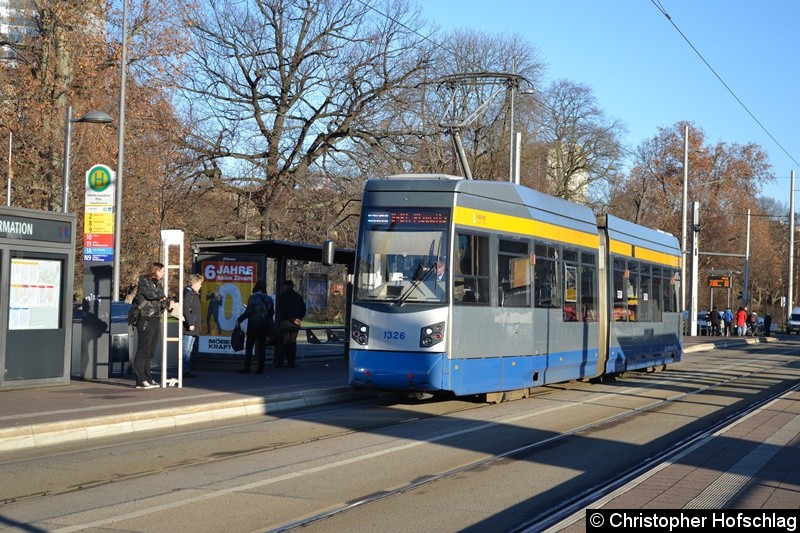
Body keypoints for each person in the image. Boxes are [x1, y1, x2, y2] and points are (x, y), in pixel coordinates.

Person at [133, 261, 175, 389]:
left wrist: (168, 302)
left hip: (155, 317)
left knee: (150, 351)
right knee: (143, 350)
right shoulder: (144, 281)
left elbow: (161, 300)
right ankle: (140, 380)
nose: (163, 274)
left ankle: (148, 378)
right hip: (145, 317)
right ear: (155, 270)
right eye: (161, 271)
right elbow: (152, 295)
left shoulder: (159, 284)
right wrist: (163, 297)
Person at [236, 280, 275, 374]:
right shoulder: (269, 299)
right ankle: (260, 369)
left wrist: (239, 319)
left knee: (249, 348)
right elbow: (271, 312)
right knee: (262, 348)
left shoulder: (253, 298)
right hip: (264, 326)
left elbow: (248, 312)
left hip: (253, 326)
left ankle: (247, 368)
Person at [275, 280, 306, 368]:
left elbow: (283, 310)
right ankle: (291, 362)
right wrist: (298, 319)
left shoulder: (282, 297)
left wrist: (292, 319)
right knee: (293, 341)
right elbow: (303, 309)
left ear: (285, 286)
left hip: (285, 322)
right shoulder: (298, 297)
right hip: (296, 323)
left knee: (282, 341)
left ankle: (280, 361)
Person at [182, 273, 204, 378]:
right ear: (194, 283)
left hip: (194, 325)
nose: (201, 286)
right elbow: (185, 308)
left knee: (189, 350)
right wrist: (190, 323)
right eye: (199, 283)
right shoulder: (189, 293)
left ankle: (187, 370)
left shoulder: (194, 294)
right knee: (186, 350)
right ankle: (184, 370)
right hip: (189, 326)